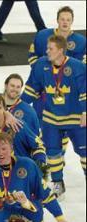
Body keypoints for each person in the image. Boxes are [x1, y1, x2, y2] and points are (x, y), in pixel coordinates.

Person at [22, 34, 86, 198]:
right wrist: (13, 106)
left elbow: (85, 92)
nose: (47, 51)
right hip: (51, 118)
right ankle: (58, 183)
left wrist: (85, 112)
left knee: (84, 151)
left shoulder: (78, 67)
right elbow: (31, 90)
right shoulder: (41, 65)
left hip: (76, 118)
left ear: (61, 51)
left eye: (51, 48)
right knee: (52, 152)